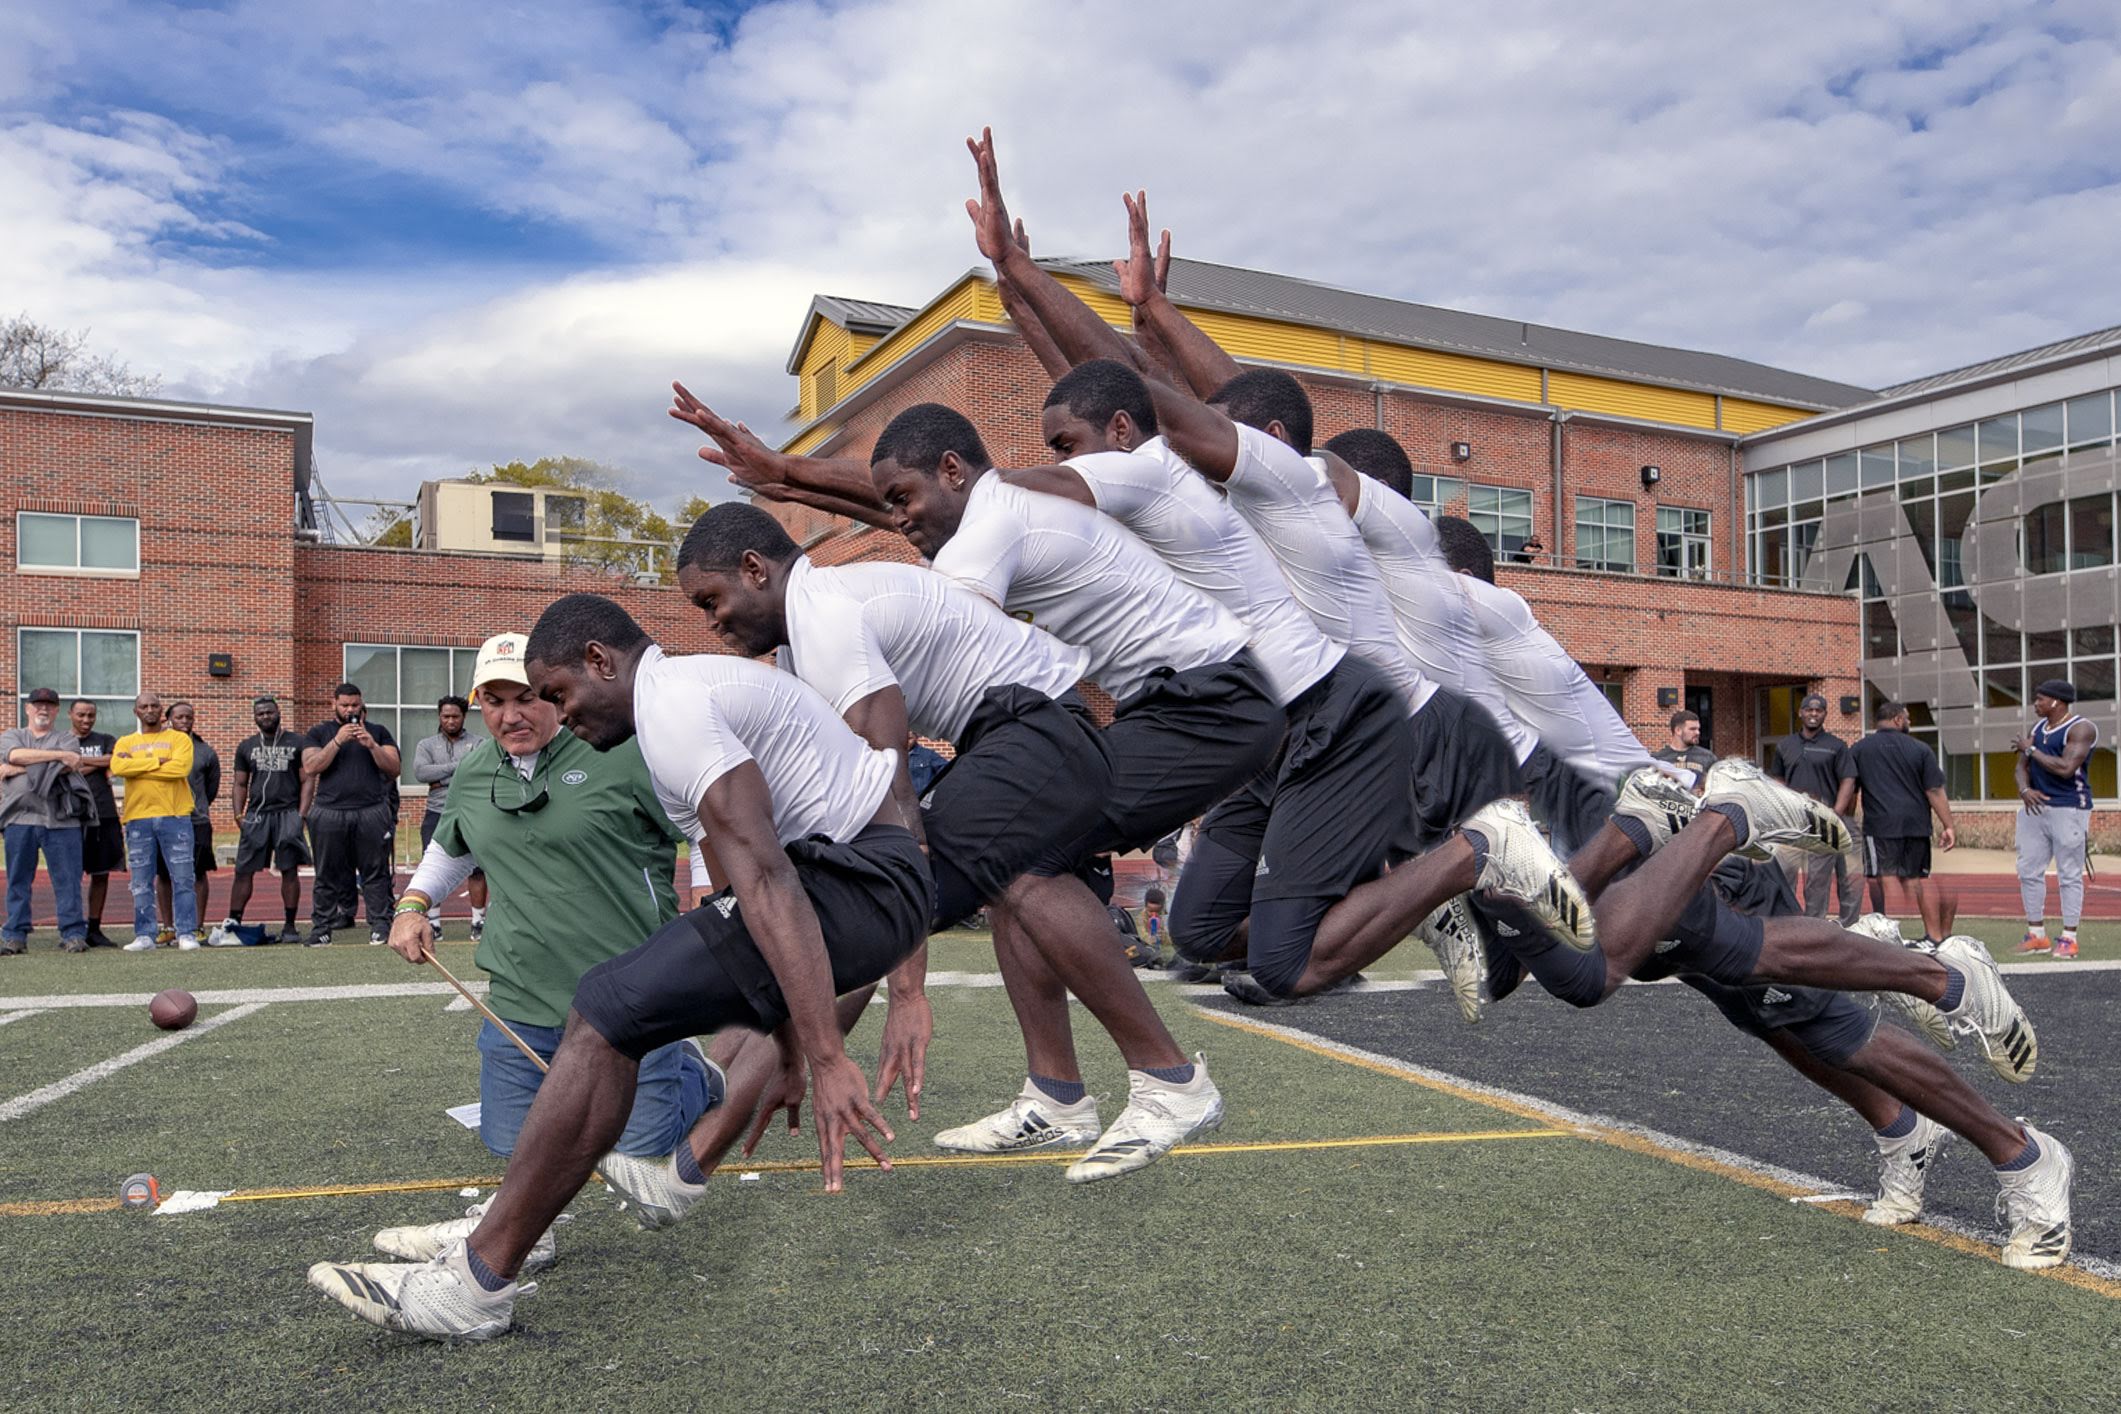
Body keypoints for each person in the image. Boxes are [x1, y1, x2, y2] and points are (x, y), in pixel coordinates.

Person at [308, 594, 934, 1340]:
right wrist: (796, 1047)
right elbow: (763, 884)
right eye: (504, 700)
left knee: (606, 1006)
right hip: (865, 881)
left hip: (859, 882)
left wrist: (830, 1051)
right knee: (610, 1012)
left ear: (600, 662)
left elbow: (762, 877)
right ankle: (593, 1209)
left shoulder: (665, 714)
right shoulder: (678, 695)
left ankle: (476, 1287)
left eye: (556, 696)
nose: (549, 714)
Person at [672, 502, 1239, 1180]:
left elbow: (892, 800)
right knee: (1004, 882)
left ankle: (1170, 1079)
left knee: (969, 883)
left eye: (712, 599)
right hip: (1013, 729)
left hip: (1036, 722)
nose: (711, 621)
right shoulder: (803, 644)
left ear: (755, 570)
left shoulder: (821, 613)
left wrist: (906, 993)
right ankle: (1057, 1096)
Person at [359, 632, 723, 1272]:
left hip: (633, 992)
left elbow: (700, 827)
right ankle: (530, 1232)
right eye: (493, 701)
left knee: (641, 1167)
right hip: (523, 989)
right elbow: (454, 846)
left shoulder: (625, 753)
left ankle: (697, 1079)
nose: (511, 715)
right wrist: (414, 904)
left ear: (555, 696)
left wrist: (716, 912)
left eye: (526, 697)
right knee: (513, 1141)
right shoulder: (474, 769)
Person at [301, 682, 400, 946]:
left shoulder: (378, 731)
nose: (350, 710)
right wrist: (337, 741)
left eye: (354, 705)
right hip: (329, 812)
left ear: (362, 704)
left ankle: (380, 926)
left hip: (370, 811)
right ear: (333, 704)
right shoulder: (319, 732)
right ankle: (322, 928)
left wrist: (371, 745)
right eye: (344, 705)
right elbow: (311, 767)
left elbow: (394, 769)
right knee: (326, 873)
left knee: (375, 872)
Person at [1850, 701, 1956, 943]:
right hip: (1916, 826)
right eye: (1907, 718)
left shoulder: (1860, 749)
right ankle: (1934, 936)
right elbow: (1935, 790)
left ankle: (1884, 931)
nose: (1909, 722)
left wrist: (1845, 819)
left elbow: (1850, 789)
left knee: (1878, 877)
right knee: (1919, 878)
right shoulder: (1920, 749)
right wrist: (1948, 825)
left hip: (1880, 826)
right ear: (1898, 720)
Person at [1, 687, 93, 955]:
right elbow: (14, 754)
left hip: (62, 820)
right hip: (19, 818)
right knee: (18, 879)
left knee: (67, 880)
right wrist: (55, 757)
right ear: (27, 708)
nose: (43, 709)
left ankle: (73, 932)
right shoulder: (12, 736)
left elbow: (68, 765)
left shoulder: (66, 738)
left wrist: (15, 768)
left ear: (56, 711)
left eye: (49, 705)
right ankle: (15, 934)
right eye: (37, 705)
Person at [2011, 677, 2096, 958]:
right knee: (2027, 870)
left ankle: (2069, 938)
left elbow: (2066, 768)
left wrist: (2031, 749)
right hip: (2035, 808)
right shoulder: (2036, 728)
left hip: (2069, 807)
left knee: (2069, 874)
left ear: (2056, 701)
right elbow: (2021, 766)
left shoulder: (2081, 727)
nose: (2036, 703)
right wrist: (2024, 789)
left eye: (2040, 698)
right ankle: (2036, 935)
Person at [219, 696, 313, 945]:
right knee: (243, 870)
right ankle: (233, 922)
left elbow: (307, 781)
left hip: (287, 813)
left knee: (289, 870)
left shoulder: (297, 742)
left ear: (278, 712)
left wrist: (301, 814)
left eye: (269, 712)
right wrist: (239, 814)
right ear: (254, 717)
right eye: (260, 714)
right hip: (257, 815)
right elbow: (240, 783)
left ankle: (290, 926)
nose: (265, 717)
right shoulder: (246, 746)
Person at [110, 692, 197, 950]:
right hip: (138, 818)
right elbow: (117, 768)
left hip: (175, 815)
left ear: (162, 711)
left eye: (154, 705)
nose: (149, 709)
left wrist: (137, 766)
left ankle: (186, 933)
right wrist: (157, 762)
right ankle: (145, 935)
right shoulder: (125, 742)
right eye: (144, 706)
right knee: (140, 881)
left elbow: (180, 769)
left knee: (183, 877)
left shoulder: (179, 739)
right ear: (136, 712)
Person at [1767, 693, 1859, 924]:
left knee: (1817, 879)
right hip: (1793, 821)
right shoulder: (1785, 745)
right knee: (1784, 873)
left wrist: (1836, 813)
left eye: (1819, 711)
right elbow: (1777, 779)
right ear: (1801, 713)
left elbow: (1848, 779)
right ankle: (1784, 923)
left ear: (1825, 714)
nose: (1814, 714)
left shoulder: (1836, 746)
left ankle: (1814, 926)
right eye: (1809, 710)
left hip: (1823, 820)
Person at [413, 694, 488, 940]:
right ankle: (433, 924)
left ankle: (478, 920)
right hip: (436, 813)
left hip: (471, 812)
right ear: (439, 717)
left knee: (477, 870)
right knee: (432, 867)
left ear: (464, 717)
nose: (451, 721)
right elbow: (421, 772)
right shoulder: (426, 745)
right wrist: (459, 767)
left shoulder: (480, 743)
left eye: (455, 716)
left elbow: (479, 774)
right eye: (446, 716)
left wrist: (441, 779)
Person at [154, 702, 219, 940]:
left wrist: (197, 806)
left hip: (196, 820)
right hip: (164, 817)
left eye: (189, 717)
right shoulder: (159, 746)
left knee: (198, 873)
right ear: (168, 719)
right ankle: (169, 927)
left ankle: (197, 926)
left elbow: (211, 788)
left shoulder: (204, 751)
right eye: (179, 717)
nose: (184, 721)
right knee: (163, 873)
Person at [66, 699, 124, 947]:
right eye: (81, 715)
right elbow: (61, 767)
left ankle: (94, 928)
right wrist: (98, 762)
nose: (86, 720)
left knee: (101, 874)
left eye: (91, 715)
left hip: (104, 814)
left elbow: (115, 760)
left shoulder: (105, 738)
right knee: (70, 875)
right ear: (71, 715)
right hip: (70, 816)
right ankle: (72, 928)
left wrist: (80, 762)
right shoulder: (61, 741)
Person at [1653, 708, 1717, 790]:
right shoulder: (1658, 759)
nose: (1697, 733)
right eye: (1692, 729)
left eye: (1698, 729)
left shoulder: (1708, 757)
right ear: (1678, 730)